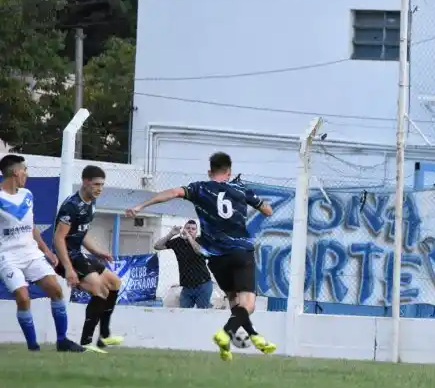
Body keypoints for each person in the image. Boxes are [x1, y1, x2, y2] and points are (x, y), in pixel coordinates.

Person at [126, 152, 275, 361]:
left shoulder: (199, 188)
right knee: (248, 303)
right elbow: (267, 210)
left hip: (215, 257)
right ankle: (225, 333)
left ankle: (237, 341)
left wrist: (141, 206)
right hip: (240, 252)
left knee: (234, 300)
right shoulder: (241, 189)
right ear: (229, 172)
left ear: (209, 172)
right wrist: (252, 198)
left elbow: (171, 193)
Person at [0, 155, 84, 352]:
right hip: (8, 257)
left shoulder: (27, 195)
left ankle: (62, 341)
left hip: (31, 254)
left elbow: (31, 227)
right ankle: (33, 347)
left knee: (56, 290)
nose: (26, 174)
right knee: (23, 297)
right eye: (24, 170)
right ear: (15, 172)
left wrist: (46, 250)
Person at [54, 165, 122, 352]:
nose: (99, 188)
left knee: (115, 282)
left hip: (78, 254)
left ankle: (104, 337)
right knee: (99, 289)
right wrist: (68, 268)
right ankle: (86, 342)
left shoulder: (91, 203)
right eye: (96, 184)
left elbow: (82, 234)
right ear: (85, 182)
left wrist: (98, 252)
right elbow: (59, 238)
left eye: (102, 185)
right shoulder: (71, 206)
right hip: (66, 257)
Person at [154, 220, 213, 309]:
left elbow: (198, 251)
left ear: (196, 232)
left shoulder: (201, 241)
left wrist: (189, 237)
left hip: (203, 285)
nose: (190, 230)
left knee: (203, 313)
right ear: (183, 229)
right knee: (184, 313)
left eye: (193, 229)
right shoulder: (178, 242)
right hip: (187, 287)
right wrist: (171, 234)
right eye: (188, 228)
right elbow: (157, 246)